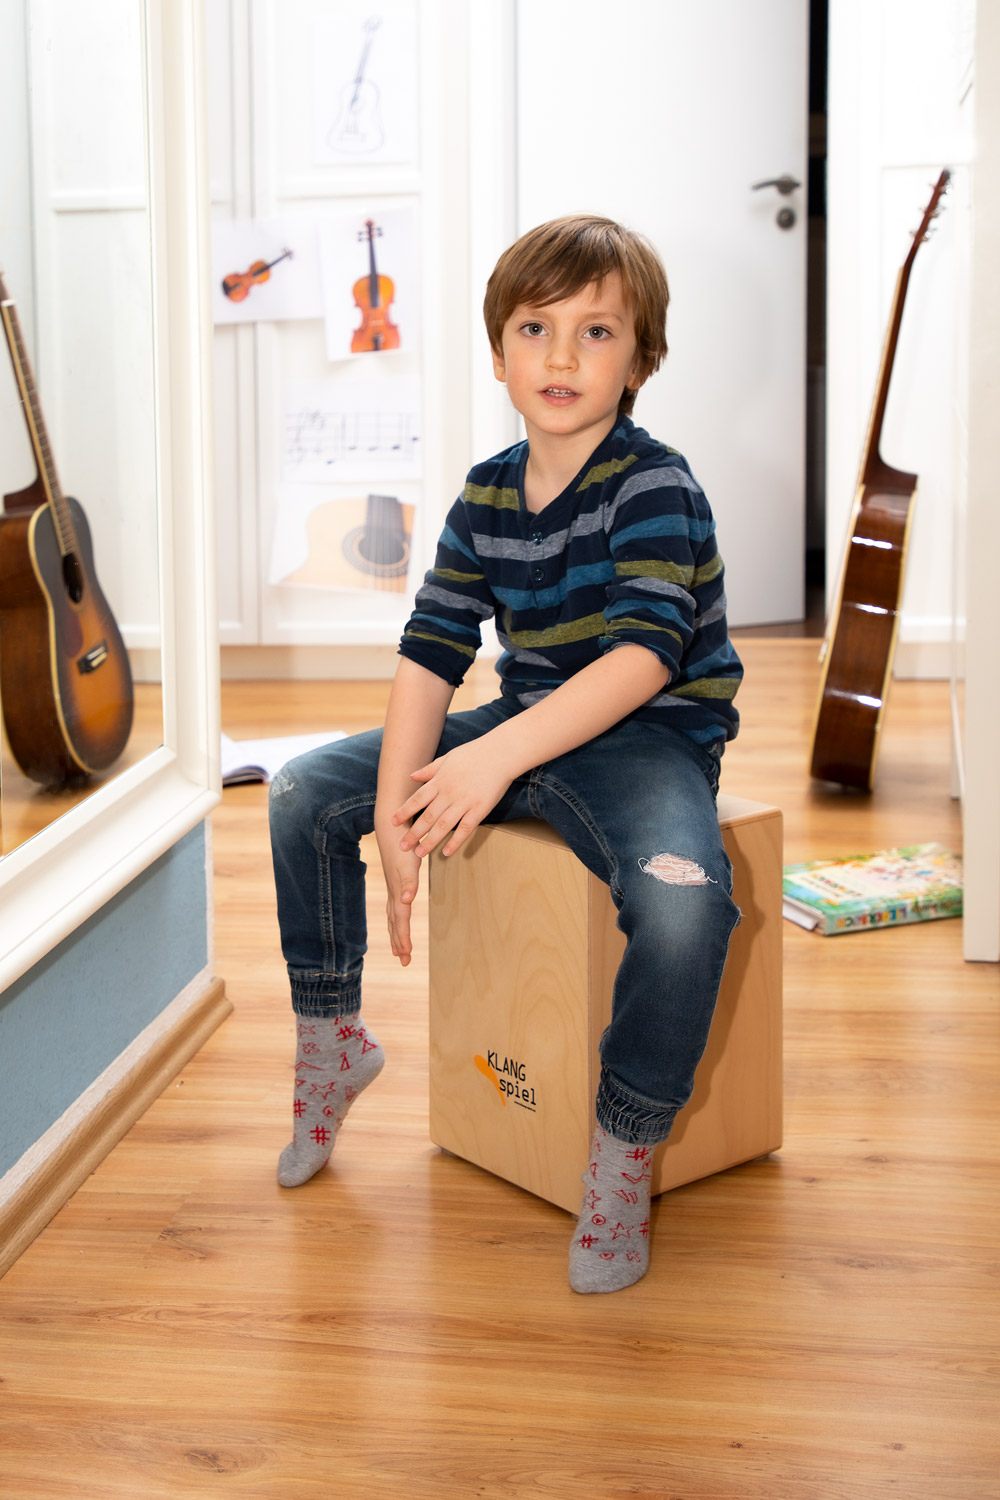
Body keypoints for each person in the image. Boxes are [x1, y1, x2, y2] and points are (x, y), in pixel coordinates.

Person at [268, 214, 743, 1294]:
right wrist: (394, 812)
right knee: (302, 793)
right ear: (498, 354)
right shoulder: (486, 492)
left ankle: (622, 1155)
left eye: (597, 331)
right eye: (536, 328)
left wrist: (485, 765)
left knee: (683, 908)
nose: (563, 357)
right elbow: (431, 655)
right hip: (527, 724)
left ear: (641, 357)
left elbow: (641, 660)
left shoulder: (653, 485)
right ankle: (332, 1042)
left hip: (645, 747)